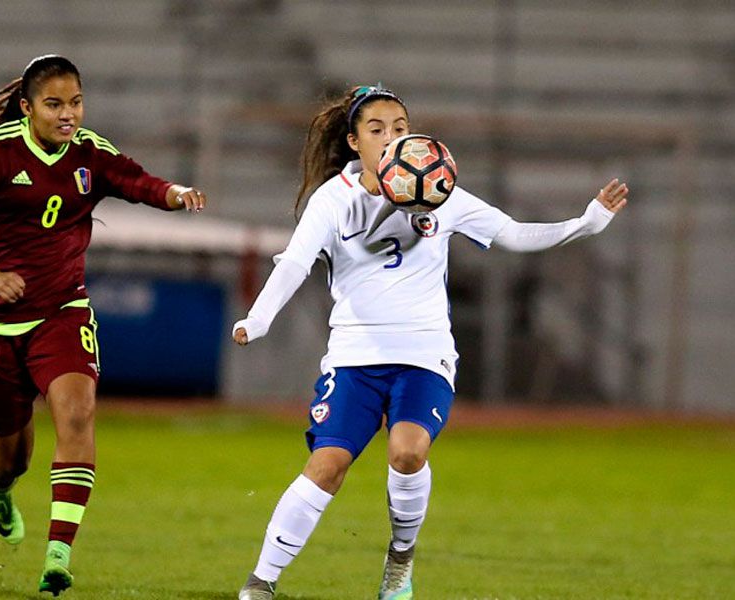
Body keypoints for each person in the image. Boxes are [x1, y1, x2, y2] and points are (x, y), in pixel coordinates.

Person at [232, 85, 627, 600]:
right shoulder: (333, 200)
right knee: (327, 466)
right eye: (377, 130)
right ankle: (262, 580)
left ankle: (399, 560)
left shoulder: (441, 192)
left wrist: (586, 223)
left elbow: (512, 234)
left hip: (424, 355)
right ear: (354, 142)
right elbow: (295, 263)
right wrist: (258, 319)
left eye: (400, 128)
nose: (392, 138)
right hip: (355, 357)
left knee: (408, 453)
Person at [0, 54, 207, 596]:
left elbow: (137, 180)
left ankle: (58, 556)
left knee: (78, 413)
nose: (68, 114)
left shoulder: (88, 153)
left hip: (61, 311)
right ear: (27, 107)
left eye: (76, 102)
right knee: (13, 458)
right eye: (55, 104)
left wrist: (175, 194)